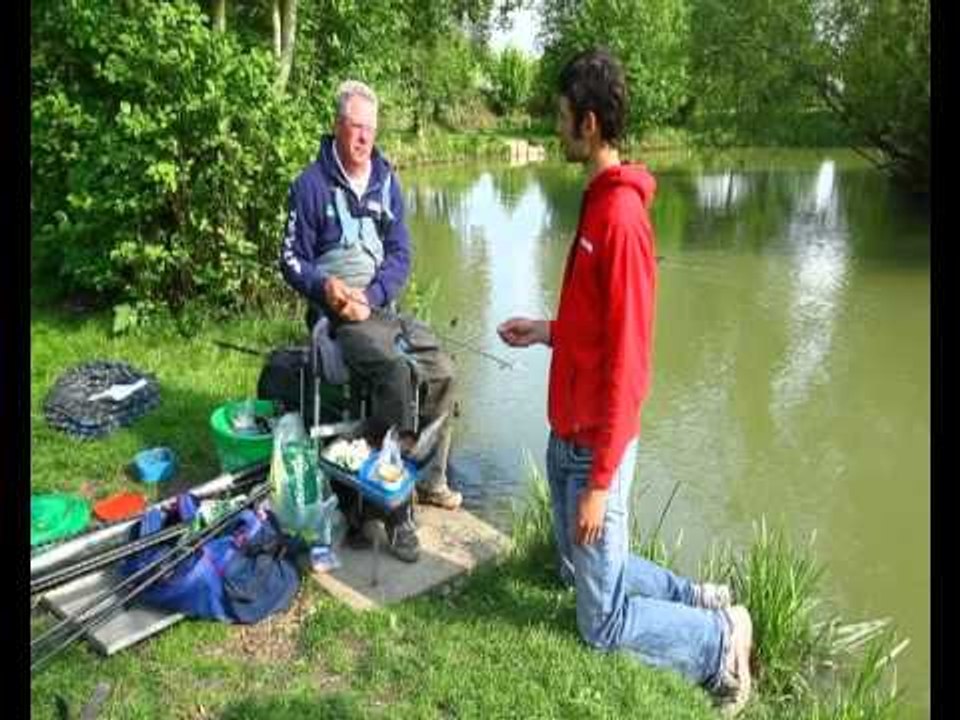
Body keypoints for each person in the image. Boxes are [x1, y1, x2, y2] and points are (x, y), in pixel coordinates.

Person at [497, 49, 754, 715]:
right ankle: (693, 597)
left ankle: (721, 642)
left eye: (561, 116)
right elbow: (596, 330)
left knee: (601, 625)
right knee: (571, 565)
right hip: (567, 432)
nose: (556, 128)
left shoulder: (622, 220)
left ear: (588, 123)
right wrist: (547, 330)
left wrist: (600, 484)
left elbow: (630, 365)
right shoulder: (596, 202)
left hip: (595, 449)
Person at [279, 80, 462, 563]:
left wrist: (375, 295)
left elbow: (401, 253)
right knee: (397, 373)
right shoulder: (309, 185)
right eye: (356, 127)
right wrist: (325, 288)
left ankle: (416, 472)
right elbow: (291, 260)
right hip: (336, 317)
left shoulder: (386, 181)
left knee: (444, 370)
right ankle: (393, 510)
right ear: (338, 126)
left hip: (382, 309)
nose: (364, 138)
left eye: (371, 129)